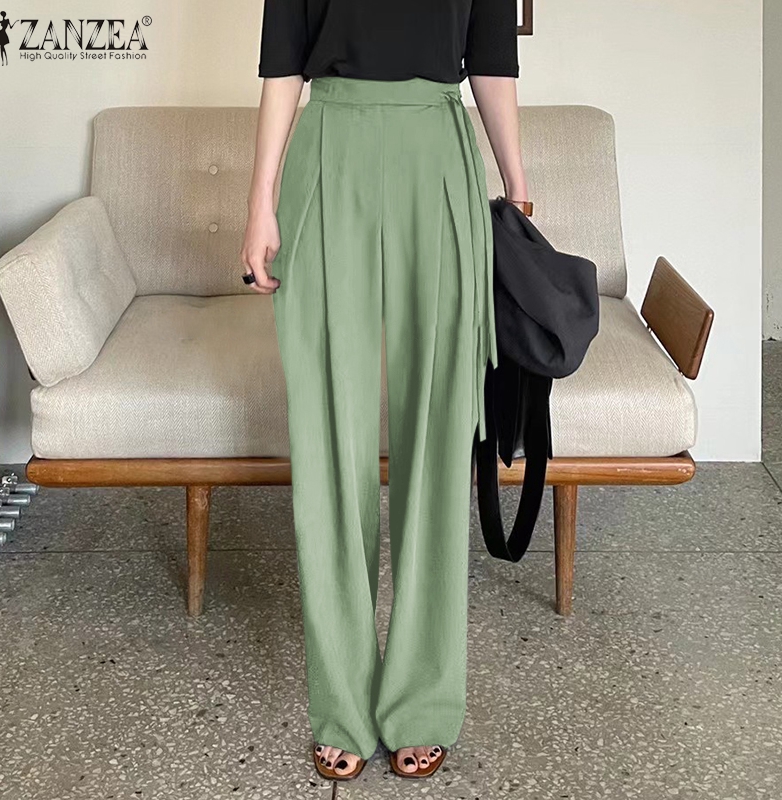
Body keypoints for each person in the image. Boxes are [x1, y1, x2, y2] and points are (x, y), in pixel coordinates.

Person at [240, 0, 529, 782]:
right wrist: (260, 201)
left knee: (437, 435)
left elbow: (491, 64)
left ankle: (422, 700)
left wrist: (517, 189)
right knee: (327, 431)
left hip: (438, 155)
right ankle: (341, 703)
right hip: (328, 149)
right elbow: (282, 69)